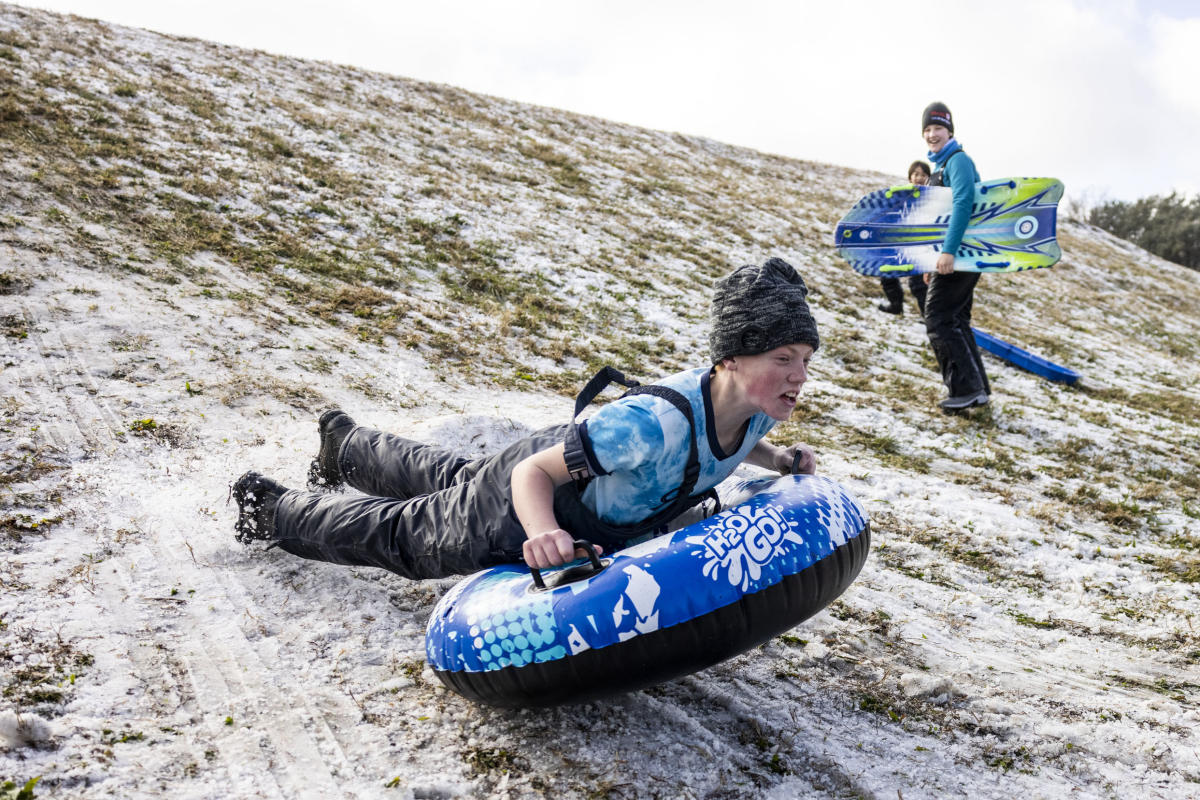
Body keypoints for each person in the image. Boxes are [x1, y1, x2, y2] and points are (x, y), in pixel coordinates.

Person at [231, 257, 821, 579]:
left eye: (804, 360)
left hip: (576, 468)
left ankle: (346, 447)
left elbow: (732, 444)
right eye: (782, 358)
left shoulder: (759, 407)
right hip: (543, 485)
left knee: (457, 479)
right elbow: (532, 476)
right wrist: (541, 532)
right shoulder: (653, 424)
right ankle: (272, 508)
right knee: (414, 537)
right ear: (730, 358)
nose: (798, 375)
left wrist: (778, 459)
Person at [920, 101, 990, 412]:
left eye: (938, 128)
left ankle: (965, 390)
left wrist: (948, 252)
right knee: (957, 320)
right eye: (928, 129)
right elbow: (939, 217)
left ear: (950, 131)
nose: (932, 134)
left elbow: (963, 205)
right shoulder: (941, 167)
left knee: (938, 318)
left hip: (960, 254)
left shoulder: (958, 162)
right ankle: (978, 390)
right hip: (953, 256)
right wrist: (929, 259)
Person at [878, 160, 931, 316]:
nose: (919, 178)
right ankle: (896, 304)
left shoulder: (932, 197)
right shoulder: (902, 196)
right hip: (904, 244)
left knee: (918, 284)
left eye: (923, 174)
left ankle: (929, 317)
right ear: (910, 178)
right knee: (887, 271)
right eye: (916, 174)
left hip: (923, 248)